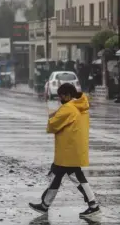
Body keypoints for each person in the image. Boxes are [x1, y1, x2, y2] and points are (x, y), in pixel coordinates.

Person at [29, 83, 100, 218]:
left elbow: (52, 125)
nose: (59, 99)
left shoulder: (68, 108)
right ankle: (45, 205)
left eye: (61, 96)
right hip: (72, 149)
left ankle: (93, 204)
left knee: (75, 177)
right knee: (58, 175)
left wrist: (52, 112)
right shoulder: (80, 106)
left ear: (67, 96)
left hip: (68, 151)